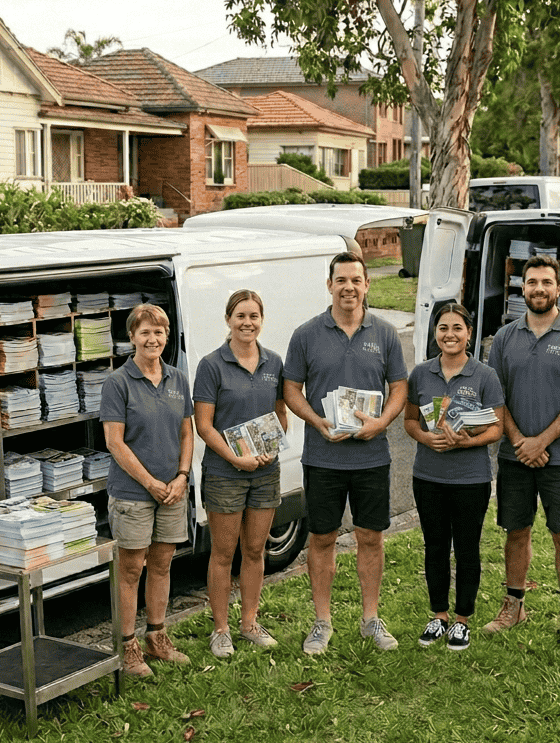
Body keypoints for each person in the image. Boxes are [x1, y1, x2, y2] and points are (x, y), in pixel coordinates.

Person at [283, 251, 408, 654]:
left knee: (371, 537)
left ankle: (371, 619)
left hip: (372, 457)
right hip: (323, 458)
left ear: (367, 284)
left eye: (356, 280)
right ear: (329, 285)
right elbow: (290, 390)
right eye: (341, 280)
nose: (349, 287)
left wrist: (382, 422)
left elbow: (400, 388)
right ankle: (322, 622)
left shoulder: (385, 334)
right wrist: (317, 422)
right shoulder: (306, 334)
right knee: (321, 538)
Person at [483, 254, 560, 649]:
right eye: (531, 283)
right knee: (516, 531)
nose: (539, 289)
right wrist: (519, 442)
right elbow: (495, 399)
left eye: (546, 283)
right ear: (522, 288)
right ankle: (514, 605)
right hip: (515, 457)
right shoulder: (505, 338)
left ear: (558, 288)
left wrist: (541, 442)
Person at [402, 302, 505, 651]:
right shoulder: (420, 374)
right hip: (428, 476)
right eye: (443, 328)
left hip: (470, 479)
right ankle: (439, 615)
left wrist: (466, 440)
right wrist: (425, 437)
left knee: (466, 548)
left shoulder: (484, 376)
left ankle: (462, 620)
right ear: (435, 334)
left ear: (469, 334)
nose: (450, 334)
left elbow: (496, 428)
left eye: (457, 328)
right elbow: (410, 422)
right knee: (434, 547)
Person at [100, 303, 194, 677]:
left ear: (167, 336)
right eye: (145, 332)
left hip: (172, 491)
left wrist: (182, 476)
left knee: (162, 563)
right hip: (133, 493)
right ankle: (127, 647)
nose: (152, 338)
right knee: (130, 570)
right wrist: (150, 483)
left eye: (159, 332)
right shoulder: (117, 382)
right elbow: (114, 442)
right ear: (132, 338)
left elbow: (187, 432)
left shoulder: (176, 379)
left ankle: (157, 637)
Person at [193, 290, 287, 658]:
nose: (247, 323)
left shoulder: (274, 362)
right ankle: (220, 629)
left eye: (254, 316)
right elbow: (204, 425)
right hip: (224, 473)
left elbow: (280, 415)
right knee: (223, 552)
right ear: (228, 320)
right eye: (240, 316)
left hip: (264, 472)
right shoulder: (211, 365)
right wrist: (236, 457)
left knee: (255, 549)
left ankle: (249, 623)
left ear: (262, 320)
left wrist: (270, 448)